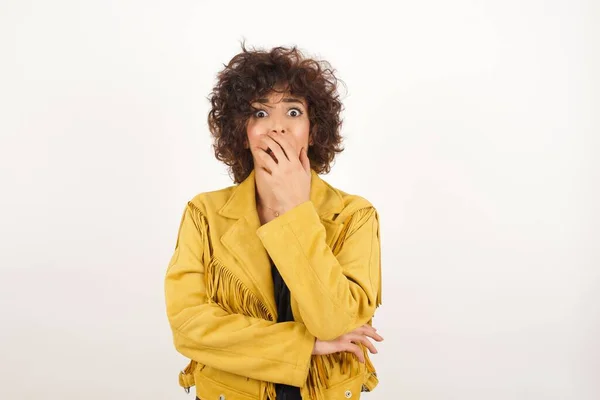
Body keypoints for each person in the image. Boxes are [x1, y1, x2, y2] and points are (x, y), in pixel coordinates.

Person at [164, 43, 383, 400]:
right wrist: (304, 345)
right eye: (260, 113)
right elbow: (189, 328)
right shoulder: (203, 214)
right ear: (241, 130)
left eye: (293, 111)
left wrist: (297, 209)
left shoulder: (354, 216)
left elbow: (335, 321)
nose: (277, 127)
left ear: (313, 131)